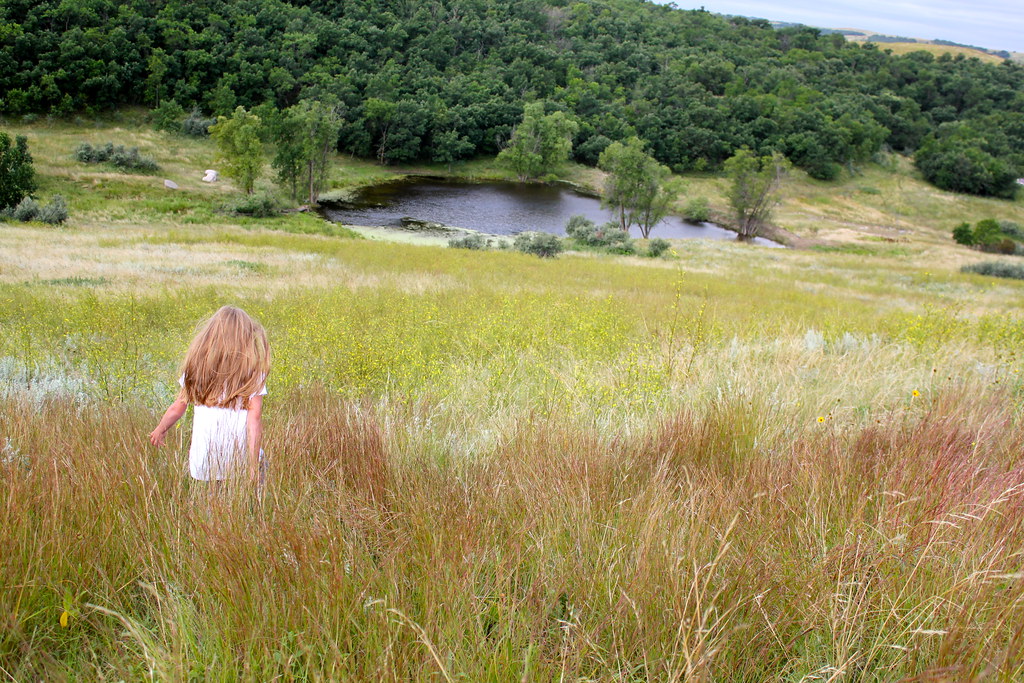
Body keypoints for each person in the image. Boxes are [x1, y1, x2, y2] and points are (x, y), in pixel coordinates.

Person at [150, 305, 270, 486]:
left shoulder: (196, 369)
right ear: (245, 338)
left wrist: (160, 429)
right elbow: (254, 421)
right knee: (251, 500)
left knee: (211, 502)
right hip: (240, 461)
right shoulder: (252, 373)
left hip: (204, 462)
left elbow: (177, 407)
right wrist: (253, 466)